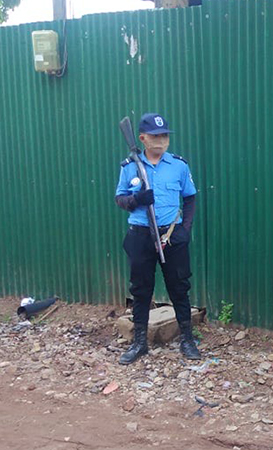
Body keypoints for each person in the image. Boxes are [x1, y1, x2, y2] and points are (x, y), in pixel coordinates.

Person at [114, 113, 200, 365]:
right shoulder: (130, 167)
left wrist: (185, 228)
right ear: (142, 138)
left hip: (171, 235)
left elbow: (190, 197)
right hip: (140, 235)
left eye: (164, 136)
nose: (161, 140)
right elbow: (120, 199)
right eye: (155, 136)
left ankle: (187, 339)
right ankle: (139, 342)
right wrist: (136, 200)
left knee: (179, 286)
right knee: (141, 290)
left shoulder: (178, 166)